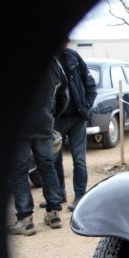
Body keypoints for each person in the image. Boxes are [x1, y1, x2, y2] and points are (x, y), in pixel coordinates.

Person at [8, 58, 69, 235]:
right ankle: (54, 212)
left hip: (20, 124)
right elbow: (63, 94)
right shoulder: (53, 62)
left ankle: (25, 219)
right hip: (43, 122)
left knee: (19, 171)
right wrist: (52, 115)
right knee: (47, 166)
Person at [49, 39, 97, 212]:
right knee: (54, 159)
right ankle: (59, 194)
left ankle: (80, 196)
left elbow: (90, 84)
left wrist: (86, 107)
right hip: (57, 120)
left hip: (78, 118)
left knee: (79, 159)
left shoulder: (73, 57)